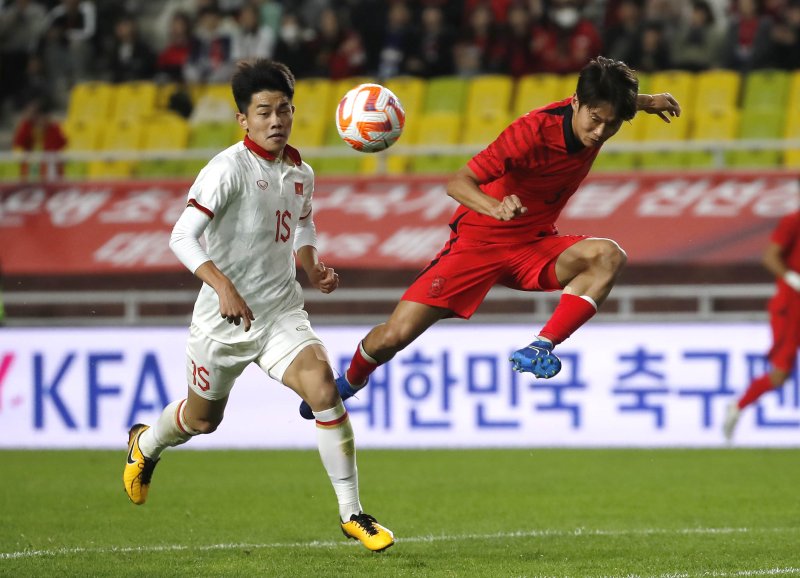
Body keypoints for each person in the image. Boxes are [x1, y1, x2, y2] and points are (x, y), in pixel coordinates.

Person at [298, 56, 681, 420]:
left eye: (611, 125)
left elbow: (614, 106)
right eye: (595, 120)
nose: (600, 132)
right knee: (393, 337)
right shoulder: (531, 132)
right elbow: (458, 182)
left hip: (532, 245)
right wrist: (492, 207)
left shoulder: (602, 111)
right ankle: (351, 379)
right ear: (576, 102)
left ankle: (541, 346)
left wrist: (648, 102)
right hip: (478, 244)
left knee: (608, 255)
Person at [122, 58, 394, 553]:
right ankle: (146, 444)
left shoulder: (300, 172)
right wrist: (222, 286)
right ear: (243, 119)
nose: (276, 121)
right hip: (221, 322)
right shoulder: (226, 169)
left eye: (284, 111)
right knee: (202, 421)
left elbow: (303, 225)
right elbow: (181, 236)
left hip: (279, 313)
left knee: (323, 390)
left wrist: (311, 266)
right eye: (264, 112)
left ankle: (352, 513)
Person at [723, 208, 800, 442]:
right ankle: (738, 406)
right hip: (792, 306)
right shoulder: (793, 221)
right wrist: (794, 280)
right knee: (780, 374)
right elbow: (770, 256)